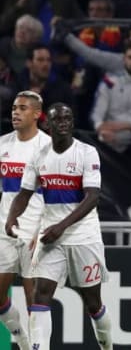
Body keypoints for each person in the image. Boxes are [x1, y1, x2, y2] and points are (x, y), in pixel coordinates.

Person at [4, 102, 112, 350]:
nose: (63, 123)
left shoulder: (87, 153)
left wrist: (61, 227)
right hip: (51, 238)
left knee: (93, 303)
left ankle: (108, 347)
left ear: (72, 123)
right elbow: (24, 194)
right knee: (40, 294)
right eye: (58, 119)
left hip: (83, 236)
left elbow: (93, 197)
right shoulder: (39, 156)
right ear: (47, 124)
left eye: (68, 119)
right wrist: (12, 217)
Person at [0, 91, 50, 350]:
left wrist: (43, 230)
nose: (15, 113)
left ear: (36, 114)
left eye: (21, 108)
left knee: (35, 299)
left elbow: (56, 195)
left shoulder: (48, 147)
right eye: (13, 108)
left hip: (35, 231)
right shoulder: (3, 144)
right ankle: (20, 336)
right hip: (4, 229)